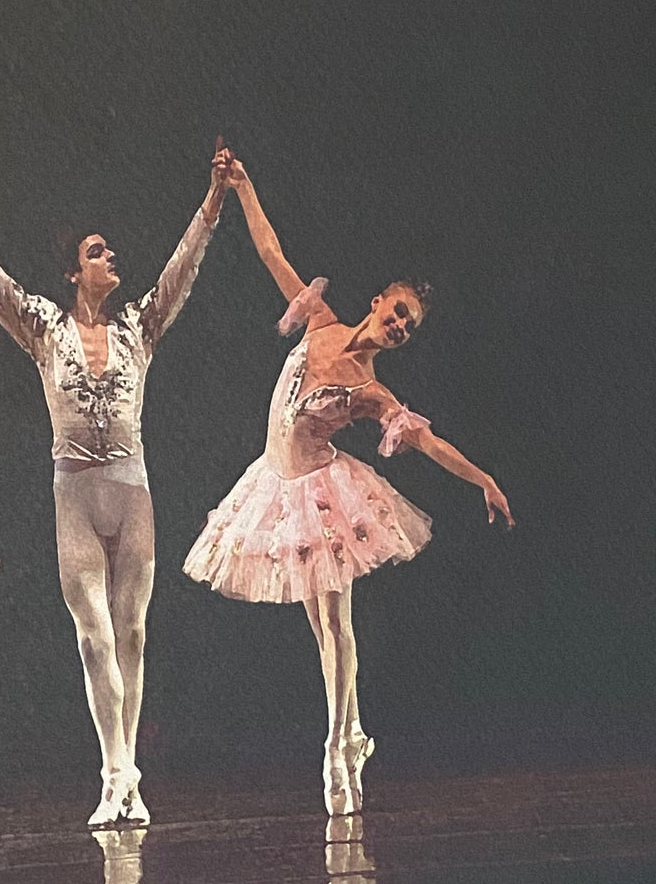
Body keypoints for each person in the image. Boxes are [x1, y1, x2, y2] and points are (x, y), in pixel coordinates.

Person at [0, 145, 230, 826]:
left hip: (132, 492)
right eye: (99, 253)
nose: (112, 260)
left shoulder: (140, 324)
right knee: (95, 636)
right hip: (74, 494)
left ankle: (128, 779)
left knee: (132, 633)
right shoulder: (42, 325)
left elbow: (184, 266)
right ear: (75, 271)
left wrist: (214, 198)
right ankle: (113, 771)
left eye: (111, 252)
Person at [185, 151, 513, 815]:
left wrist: (483, 479)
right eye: (396, 311)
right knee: (322, 629)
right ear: (377, 302)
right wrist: (245, 186)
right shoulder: (320, 321)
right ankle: (353, 733)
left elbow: (428, 442)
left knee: (336, 626)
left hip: (320, 495)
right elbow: (272, 251)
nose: (397, 326)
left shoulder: (369, 390)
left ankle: (338, 744)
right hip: (274, 485)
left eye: (407, 327)